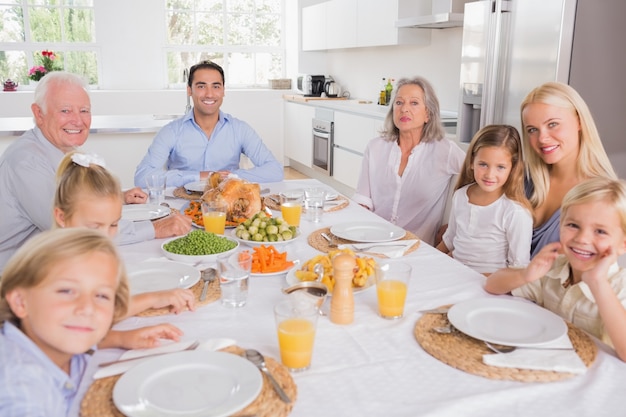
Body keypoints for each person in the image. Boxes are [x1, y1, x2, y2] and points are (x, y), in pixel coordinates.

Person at [0, 71, 192, 272]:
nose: (77, 120)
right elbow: (78, 230)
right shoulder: (26, 161)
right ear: (39, 114)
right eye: (65, 110)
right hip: (18, 279)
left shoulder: (57, 148)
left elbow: (71, 200)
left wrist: (119, 196)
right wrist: (156, 228)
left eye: (84, 110)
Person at [485, 177, 626, 361]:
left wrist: (597, 282)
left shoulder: (620, 285)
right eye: (573, 225)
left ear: (623, 245)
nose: (582, 239)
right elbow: (492, 285)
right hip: (547, 365)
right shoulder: (555, 267)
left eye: (600, 231)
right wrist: (525, 275)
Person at [0, 228, 129, 415]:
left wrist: (120, 339)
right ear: (21, 302)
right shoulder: (23, 393)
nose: (87, 308)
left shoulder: (52, 341)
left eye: (101, 295)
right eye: (66, 291)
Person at [54, 151, 196, 317]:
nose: (106, 236)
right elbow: (86, 319)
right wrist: (150, 299)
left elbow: (102, 309)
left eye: (114, 224)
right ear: (62, 217)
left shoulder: (91, 256)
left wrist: (126, 337)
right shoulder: (59, 270)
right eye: (94, 226)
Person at [134, 60, 284, 188]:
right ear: (189, 90)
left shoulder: (240, 129)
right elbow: (142, 177)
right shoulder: (171, 131)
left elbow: (275, 170)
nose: (209, 94)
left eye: (216, 86)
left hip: (227, 206)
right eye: (201, 86)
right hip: (180, 206)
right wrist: (200, 176)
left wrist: (230, 177)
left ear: (223, 90)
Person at [352, 76, 465, 246]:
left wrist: (454, 226)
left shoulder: (445, 150)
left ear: (428, 113)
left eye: (414, 103)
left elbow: (479, 178)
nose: (404, 109)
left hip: (416, 247)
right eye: (399, 103)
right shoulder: (375, 147)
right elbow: (363, 199)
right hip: (373, 239)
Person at [521, 82, 616, 257]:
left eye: (552, 124)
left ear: (579, 121)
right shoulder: (523, 180)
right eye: (532, 130)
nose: (542, 138)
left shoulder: (603, 196)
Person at [436, 125, 533, 275]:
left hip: (489, 284)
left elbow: (519, 268)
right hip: (453, 274)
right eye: (483, 164)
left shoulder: (515, 211)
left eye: (500, 167)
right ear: (471, 162)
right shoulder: (461, 195)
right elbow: (450, 239)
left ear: (513, 169)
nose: (490, 174)